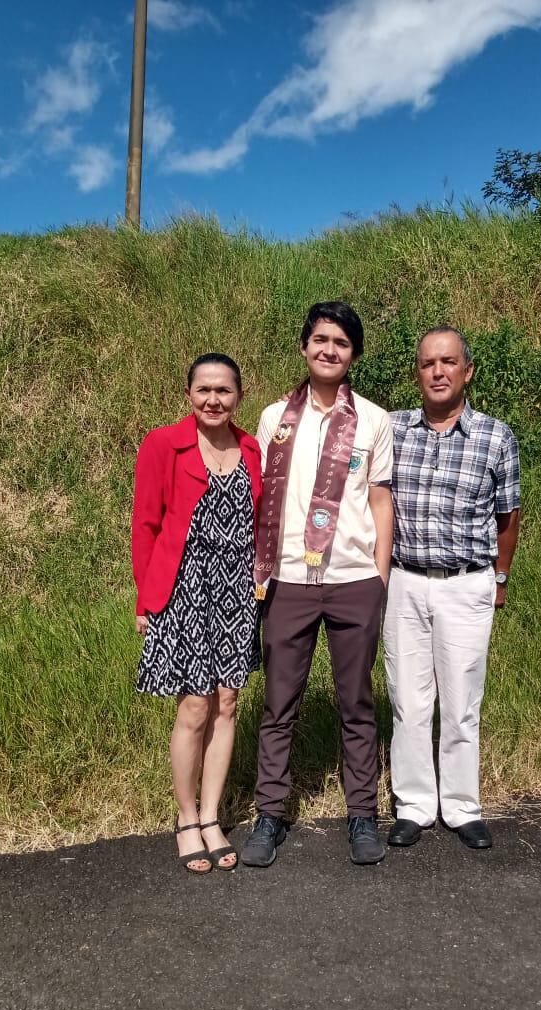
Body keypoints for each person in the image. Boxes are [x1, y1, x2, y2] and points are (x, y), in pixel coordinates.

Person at [241, 301, 394, 868]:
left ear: (353, 354)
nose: (329, 349)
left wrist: (379, 577)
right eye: (320, 339)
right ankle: (270, 815)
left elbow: (380, 500)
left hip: (353, 579)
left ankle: (361, 815)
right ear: (305, 347)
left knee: (357, 702)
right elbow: (259, 500)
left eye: (342, 342)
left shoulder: (376, 420)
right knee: (280, 703)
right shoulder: (274, 417)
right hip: (286, 579)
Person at [384, 326, 520, 851]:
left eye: (447, 362)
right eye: (426, 364)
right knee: (408, 701)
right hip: (404, 582)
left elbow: (508, 515)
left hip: (467, 584)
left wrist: (500, 579)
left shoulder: (495, 436)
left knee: (461, 702)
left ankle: (463, 807)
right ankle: (414, 807)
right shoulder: (393, 429)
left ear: (467, 371)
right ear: (417, 373)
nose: (437, 372)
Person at [132, 353, 262, 875]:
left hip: (236, 591)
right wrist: (146, 600)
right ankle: (186, 819)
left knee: (227, 703)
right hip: (183, 589)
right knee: (194, 706)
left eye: (224, 391)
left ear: (238, 397)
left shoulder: (251, 448)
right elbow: (145, 525)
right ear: (189, 394)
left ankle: (213, 816)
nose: (213, 399)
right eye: (204, 389)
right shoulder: (164, 443)